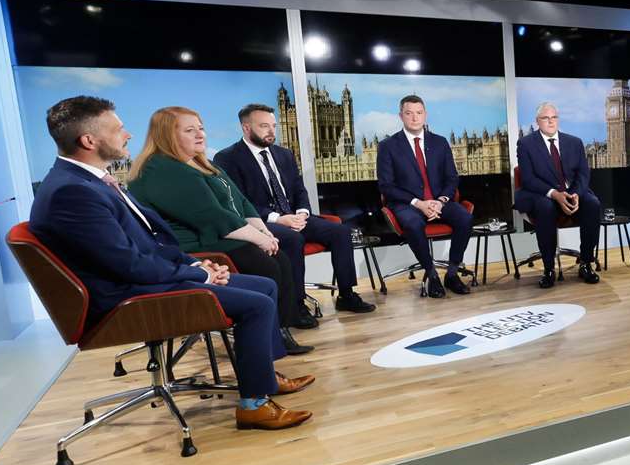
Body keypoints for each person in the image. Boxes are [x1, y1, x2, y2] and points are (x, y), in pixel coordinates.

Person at [28, 96, 313, 430]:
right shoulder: (73, 191)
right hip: (126, 298)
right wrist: (197, 274)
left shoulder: (92, 181)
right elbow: (128, 264)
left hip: (143, 280)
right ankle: (254, 404)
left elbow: (152, 239)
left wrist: (199, 266)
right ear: (89, 141)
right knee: (256, 304)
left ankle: (262, 377)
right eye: (118, 129)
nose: (129, 135)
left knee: (263, 286)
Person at [127, 106, 314, 354]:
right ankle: (271, 340)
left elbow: (240, 201)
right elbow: (210, 216)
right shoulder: (160, 168)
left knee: (279, 254)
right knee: (267, 264)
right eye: (189, 130)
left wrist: (263, 231)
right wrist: (259, 239)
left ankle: (280, 329)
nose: (200, 134)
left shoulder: (200, 163)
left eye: (201, 128)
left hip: (218, 235)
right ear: (165, 135)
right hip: (196, 246)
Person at [213, 103, 375, 315]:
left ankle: (347, 294)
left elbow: (299, 190)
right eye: (264, 126)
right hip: (263, 224)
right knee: (292, 239)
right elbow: (239, 202)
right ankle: (296, 305)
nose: (272, 131)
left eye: (274, 125)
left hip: (294, 217)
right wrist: (278, 219)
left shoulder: (284, 154)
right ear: (246, 128)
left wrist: (302, 213)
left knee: (341, 232)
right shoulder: (228, 158)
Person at [376, 94, 473, 298]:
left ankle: (453, 273)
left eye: (419, 113)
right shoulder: (388, 146)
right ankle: (431, 275)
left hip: (439, 202)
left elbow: (452, 178)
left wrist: (440, 201)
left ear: (425, 115)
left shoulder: (439, 142)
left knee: (465, 218)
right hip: (407, 204)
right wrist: (418, 203)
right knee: (413, 224)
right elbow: (386, 186)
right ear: (401, 116)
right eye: (409, 113)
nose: (414, 118)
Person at [514, 102, 602, 289]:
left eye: (554, 117)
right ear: (538, 121)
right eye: (546, 118)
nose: (550, 121)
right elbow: (528, 179)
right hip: (542, 193)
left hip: (572, 192)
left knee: (593, 203)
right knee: (545, 208)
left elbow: (583, 174)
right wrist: (554, 194)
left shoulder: (574, 142)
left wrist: (576, 194)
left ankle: (586, 262)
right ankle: (548, 268)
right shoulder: (526, 144)